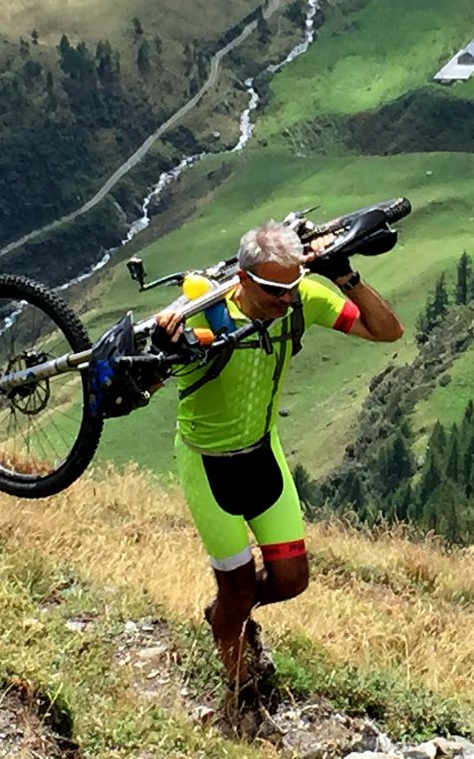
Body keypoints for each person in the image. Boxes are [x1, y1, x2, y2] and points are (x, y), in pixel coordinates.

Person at [157, 219, 403, 712]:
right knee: (240, 583)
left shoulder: (301, 298)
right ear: (244, 281)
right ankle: (240, 687)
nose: (286, 300)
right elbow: (151, 373)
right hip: (208, 464)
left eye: (292, 287)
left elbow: (387, 330)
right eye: (274, 290)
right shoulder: (204, 315)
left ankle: (224, 616)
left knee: (291, 580)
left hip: (262, 454)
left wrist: (344, 276)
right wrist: (169, 342)